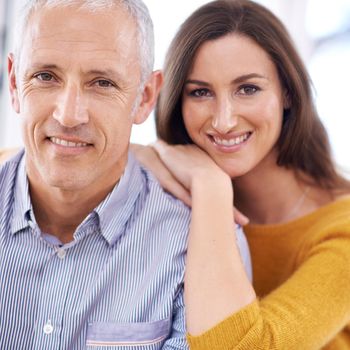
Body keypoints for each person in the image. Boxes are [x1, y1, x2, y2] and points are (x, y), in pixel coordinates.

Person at [132, 0, 350, 349]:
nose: (224, 120)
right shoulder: (170, 186)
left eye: (247, 88)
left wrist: (211, 186)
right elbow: (18, 165)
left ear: (288, 93)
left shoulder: (342, 229)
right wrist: (129, 154)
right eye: (200, 92)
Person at [0, 0, 197, 348]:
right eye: (45, 76)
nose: (69, 114)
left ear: (145, 97)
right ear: (14, 83)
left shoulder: (195, 245)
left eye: (102, 83)